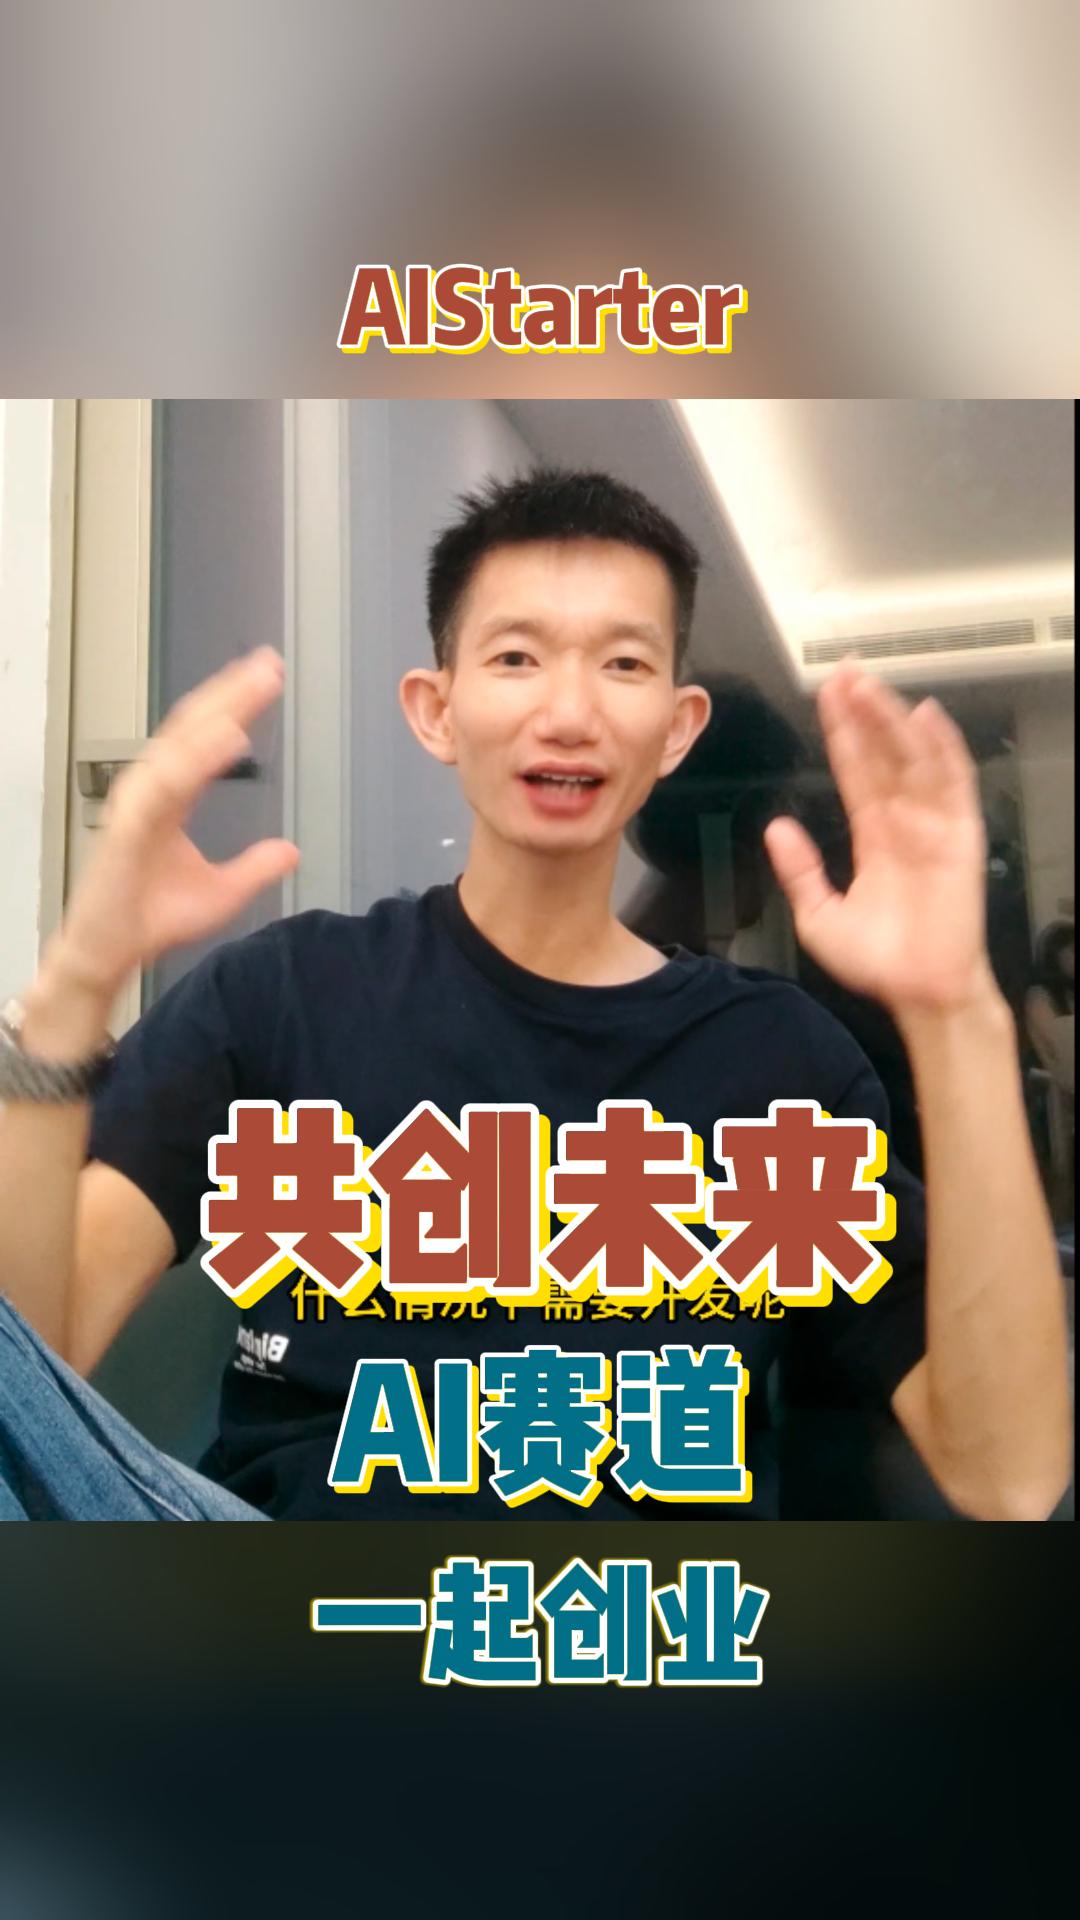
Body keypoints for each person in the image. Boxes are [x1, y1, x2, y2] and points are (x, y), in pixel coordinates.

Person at [0, 469, 1071, 1521]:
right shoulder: (282, 994)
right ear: (437, 710)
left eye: (623, 663)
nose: (568, 712)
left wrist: (958, 1012)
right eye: (516, 657)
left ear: (678, 727)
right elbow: (31, 1373)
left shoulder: (782, 1060)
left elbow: (1007, 1481)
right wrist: (77, 981)